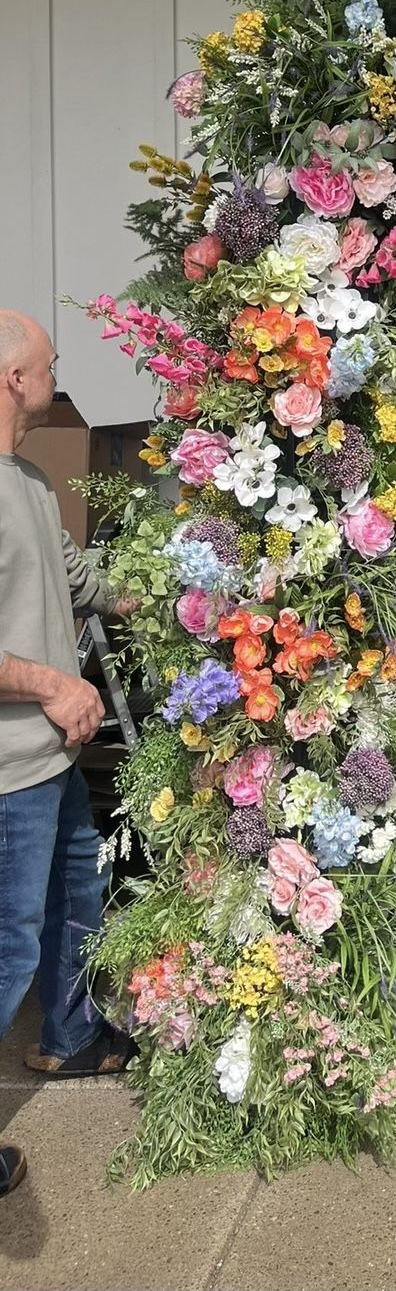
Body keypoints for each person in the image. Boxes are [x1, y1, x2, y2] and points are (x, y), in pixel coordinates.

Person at [0, 311, 138, 1198]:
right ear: (14, 378)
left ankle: (70, 1032)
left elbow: (77, 580)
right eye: (51, 362)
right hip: (9, 769)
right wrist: (53, 685)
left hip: (52, 759)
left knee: (73, 898)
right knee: (7, 947)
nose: (61, 374)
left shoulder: (28, 480)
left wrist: (186, 591)